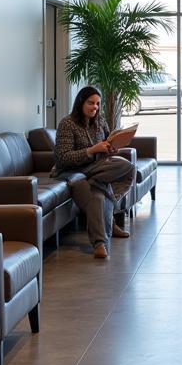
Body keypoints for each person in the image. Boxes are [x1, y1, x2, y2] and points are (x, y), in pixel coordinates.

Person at [53, 86, 135, 259]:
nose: (95, 107)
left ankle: (97, 184)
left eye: (98, 104)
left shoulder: (100, 121)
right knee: (96, 196)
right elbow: (63, 158)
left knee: (127, 168)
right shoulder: (67, 124)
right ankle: (100, 243)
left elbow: (106, 143)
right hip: (72, 171)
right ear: (81, 102)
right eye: (91, 103)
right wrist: (91, 150)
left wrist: (111, 149)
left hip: (97, 169)